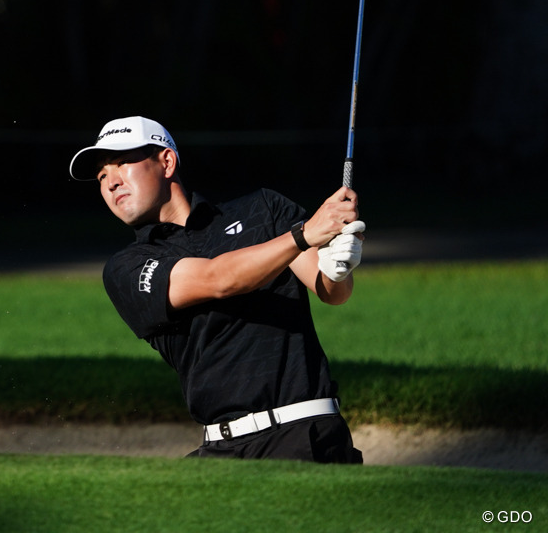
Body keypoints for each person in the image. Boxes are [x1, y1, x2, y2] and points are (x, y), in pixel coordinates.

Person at [69, 116, 366, 463]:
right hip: (222, 449)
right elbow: (218, 279)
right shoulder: (126, 268)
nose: (111, 182)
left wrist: (338, 265)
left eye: (122, 163)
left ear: (167, 162)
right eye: (102, 176)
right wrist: (302, 236)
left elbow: (332, 291)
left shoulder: (263, 210)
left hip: (306, 433)